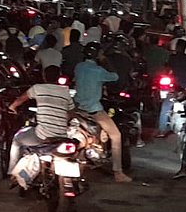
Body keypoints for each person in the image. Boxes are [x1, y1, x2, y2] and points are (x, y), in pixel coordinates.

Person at [74, 44, 131, 182]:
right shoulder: (99, 71)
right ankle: (118, 172)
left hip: (78, 109)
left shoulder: (79, 67)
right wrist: (105, 60)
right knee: (116, 135)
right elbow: (115, 77)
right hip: (93, 110)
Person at [8, 65, 74, 175]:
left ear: (44, 76)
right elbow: (71, 112)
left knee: (17, 140)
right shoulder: (65, 91)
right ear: (58, 77)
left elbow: (21, 99)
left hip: (43, 135)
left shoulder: (38, 88)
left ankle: (12, 172)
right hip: (61, 135)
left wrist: (12, 107)